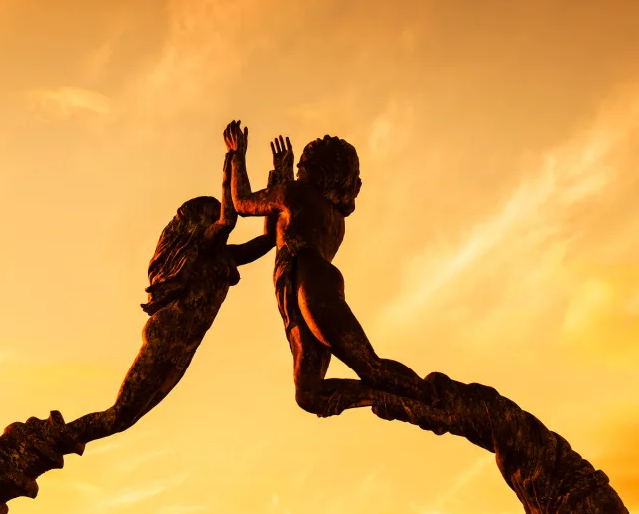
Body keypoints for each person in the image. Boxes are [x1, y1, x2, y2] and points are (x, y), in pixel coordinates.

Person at [223, 120, 434, 417]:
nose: (298, 170)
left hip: (312, 286)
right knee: (309, 394)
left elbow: (242, 203)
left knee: (369, 365)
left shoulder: (297, 194)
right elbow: (274, 234)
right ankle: (391, 397)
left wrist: (237, 155)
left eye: (302, 166)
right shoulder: (332, 217)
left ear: (317, 169)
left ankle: (434, 399)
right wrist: (280, 174)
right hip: (307, 286)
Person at [80, 147, 277, 441]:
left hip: (184, 348)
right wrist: (235, 159)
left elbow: (267, 241)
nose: (219, 221)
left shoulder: (223, 257)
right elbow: (228, 220)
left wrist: (278, 182)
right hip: (168, 335)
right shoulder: (203, 250)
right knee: (120, 413)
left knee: (123, 419)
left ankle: (64, 437)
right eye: (212, 216)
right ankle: (59, 436)